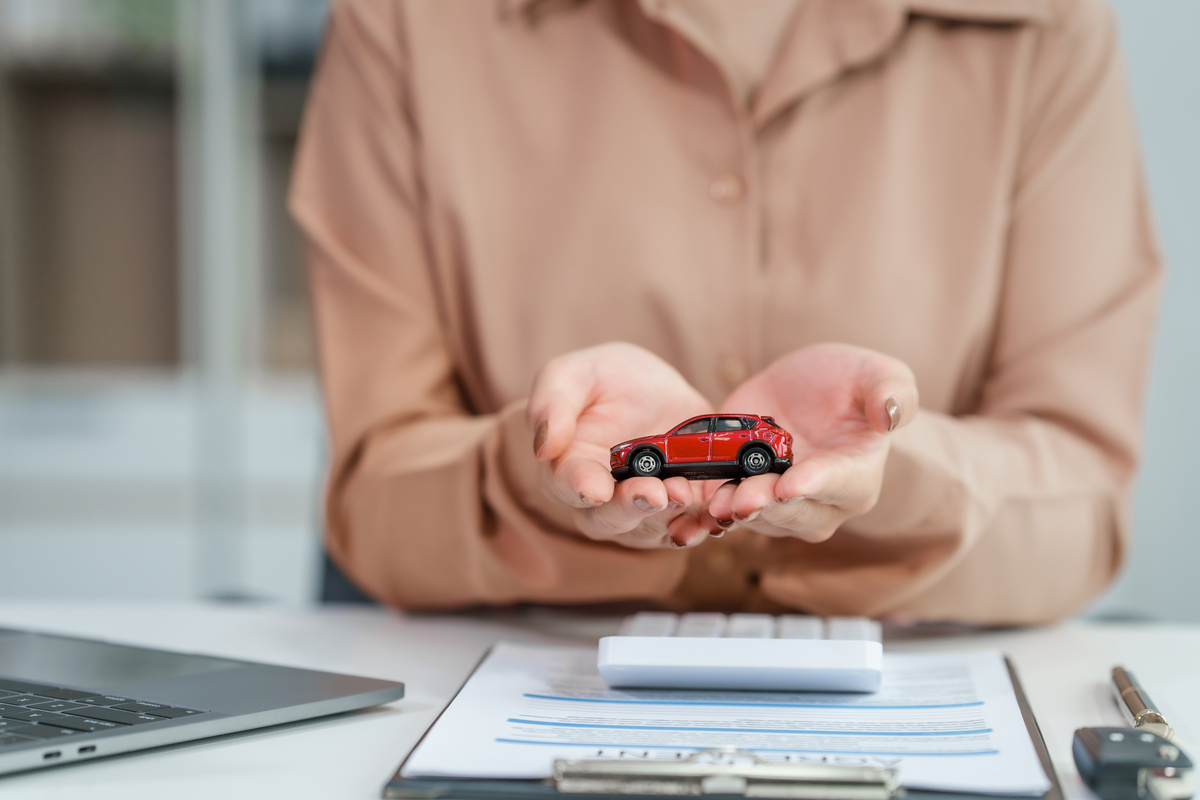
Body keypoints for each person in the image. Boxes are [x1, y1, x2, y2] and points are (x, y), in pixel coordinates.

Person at [289, 0, 1162, 623]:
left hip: (923, 707)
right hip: (530, 698)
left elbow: (1082, 520)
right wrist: (546, 466)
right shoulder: (402, 20)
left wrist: (889, 472)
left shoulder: (1048, 29)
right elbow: (376, 509)